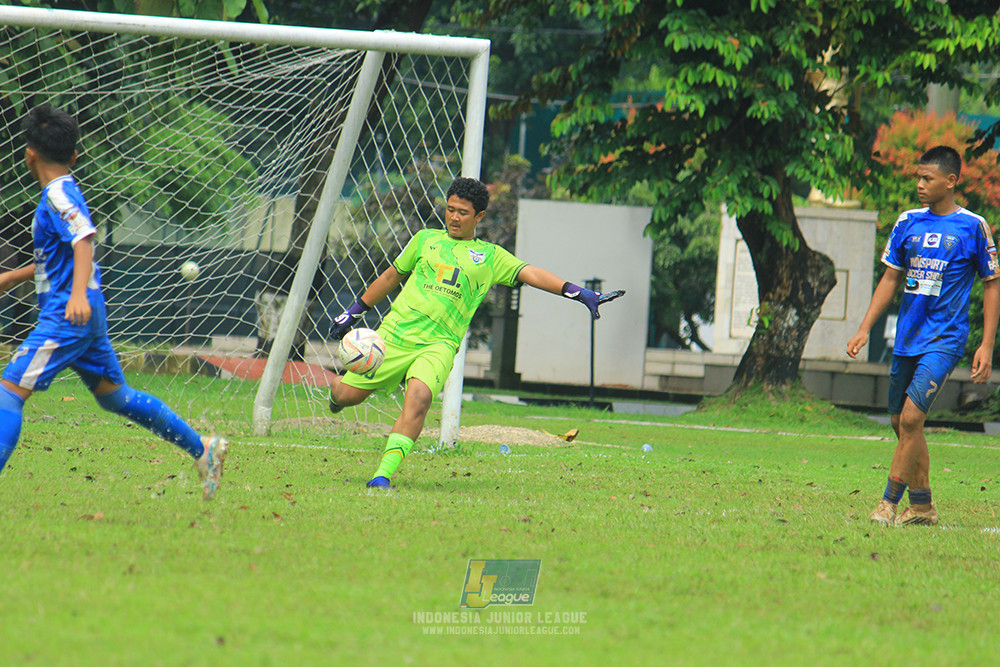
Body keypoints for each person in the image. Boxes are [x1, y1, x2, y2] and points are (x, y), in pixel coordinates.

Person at [328, 177, 625, 489]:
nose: (454, 217)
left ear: (479, 217)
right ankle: (336, 394)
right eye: (450, 209)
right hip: (395, 336)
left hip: (438, 344)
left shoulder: (490, 256)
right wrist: (355, 309)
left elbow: (532, 273)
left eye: (463, 213)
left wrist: (579, 293)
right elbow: (391, 276)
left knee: (420, 398)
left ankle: (382, 475)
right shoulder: (425, 240)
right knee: (347, 395)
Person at [0, 104, 228, 500]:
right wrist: (11, 278)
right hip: (85, 310)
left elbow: (83, 239)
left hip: (68, 314)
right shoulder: (63, 190)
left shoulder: (56, 194)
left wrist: (75, 296)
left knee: (8, 393)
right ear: (73, 156)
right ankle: (203, 449)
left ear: (28, 154)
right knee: (115, 398)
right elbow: (61, 257)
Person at [847, 145, 999, 526]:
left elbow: (992, 284)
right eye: (917, 177)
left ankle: (887, 504)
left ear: (950, 181)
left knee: (913, 420)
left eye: (926, 178)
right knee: (901, 424)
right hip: (907, 337)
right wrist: (864, 328)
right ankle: (924, 507)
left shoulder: (973, 226)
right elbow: (891, 278)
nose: (919, 184)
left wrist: (986, 344)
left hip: (945, 340)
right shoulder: (907, 222)